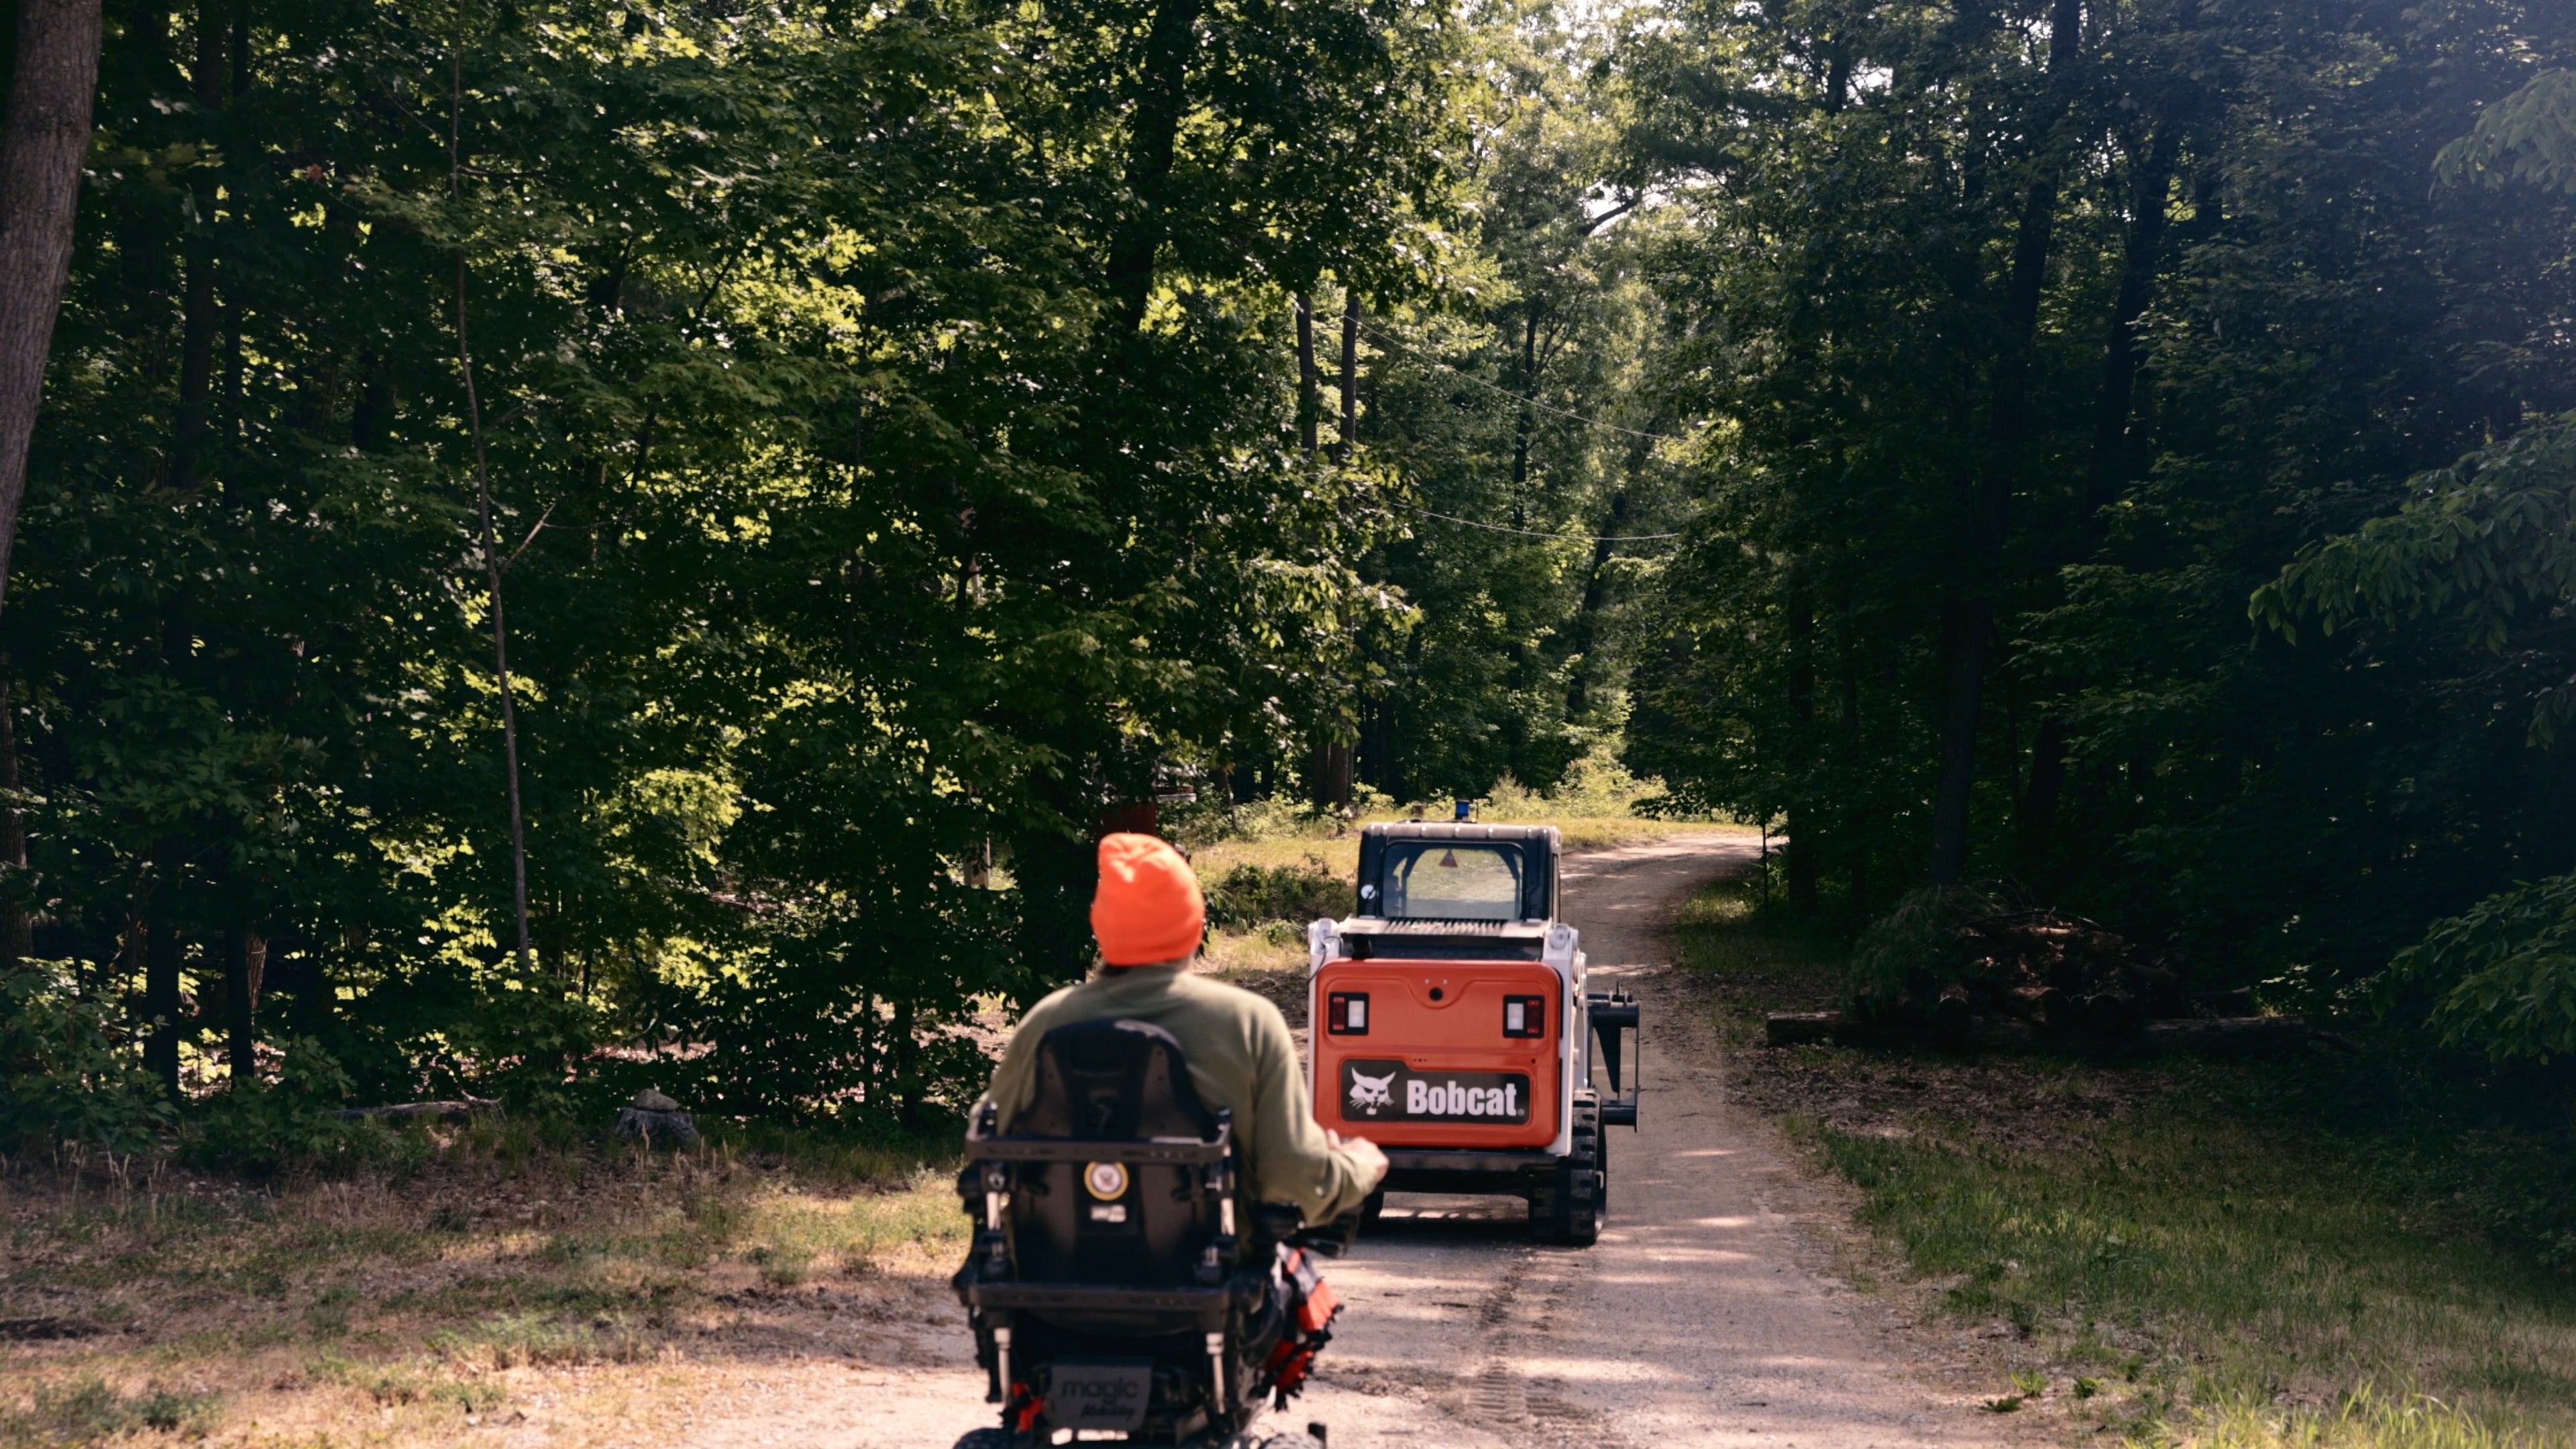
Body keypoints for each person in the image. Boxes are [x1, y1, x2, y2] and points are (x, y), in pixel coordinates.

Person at [976, 832, 1388, 1227]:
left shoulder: (1049, 1020)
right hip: (1210, 1282)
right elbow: (1295, 1180)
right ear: (1194, 925)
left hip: (1049, 1273)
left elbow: (986, 1141)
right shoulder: (1247, 1022)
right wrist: (1359, 1166)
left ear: (1102, 927)